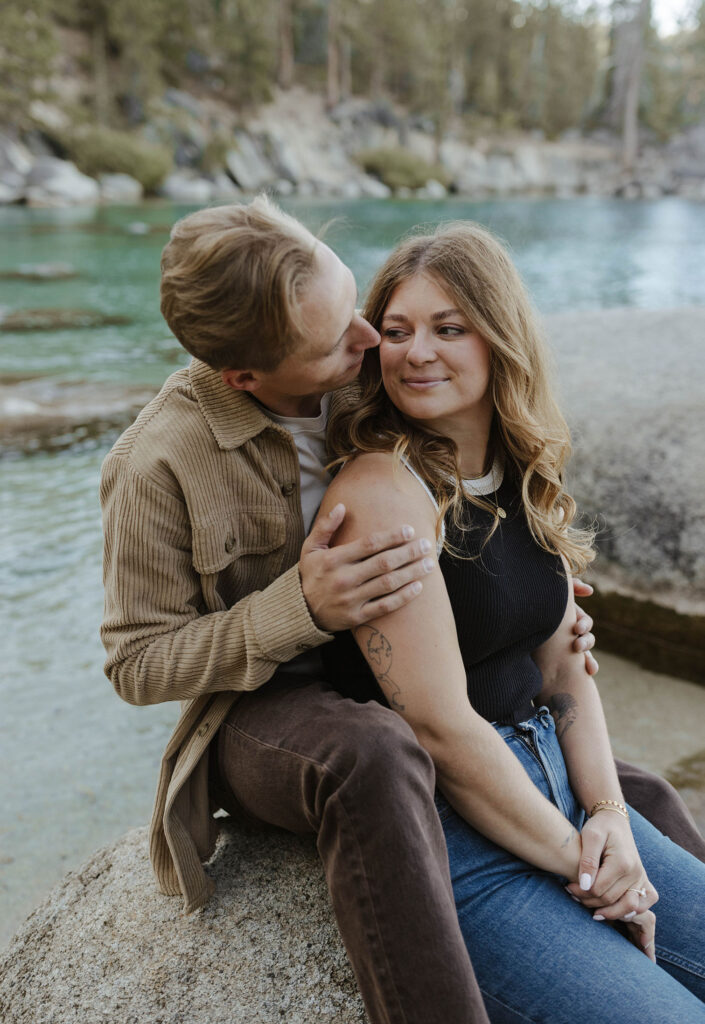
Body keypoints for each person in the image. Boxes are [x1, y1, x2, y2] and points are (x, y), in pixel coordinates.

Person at [100, 197, 705, 1024]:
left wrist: (534, 608)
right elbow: (136, 662)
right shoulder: (164, 460)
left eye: (360, 308)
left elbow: (553, 663)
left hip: (492, 732)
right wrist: (299, 607)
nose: (374, 343)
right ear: (246, 375)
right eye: (355, 334)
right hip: (276, 707)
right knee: (376, 756)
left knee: (638, 796)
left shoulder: (379, 391)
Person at [318, 220, 705, 1022]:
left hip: (561, 791)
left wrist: (607, 819)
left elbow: (566, 673)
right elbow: (439, 726)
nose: (415, 352)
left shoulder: (519, 472)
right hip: (462, 838)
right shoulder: (383, 489)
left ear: (500, 338)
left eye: (447, 328)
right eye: (395, 331)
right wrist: (597, 876)